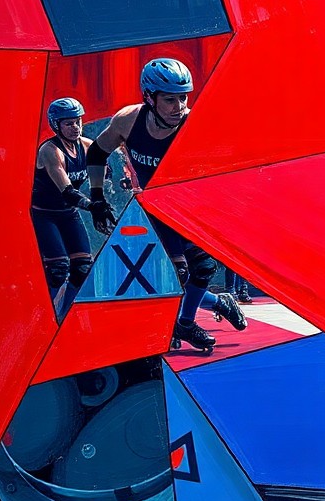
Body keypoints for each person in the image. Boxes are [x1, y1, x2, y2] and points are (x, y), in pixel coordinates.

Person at [85, 58, 247, 353]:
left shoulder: (195, 124)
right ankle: (178, 322)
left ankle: (194, 316)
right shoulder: (128, 120)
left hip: (185, 206)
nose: (179, 106)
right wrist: (97, 198)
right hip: (153, 205)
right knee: (177, 272)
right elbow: (96, 154)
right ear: (149, 97)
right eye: (170, 99)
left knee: (204, 267)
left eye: (183, 97)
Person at [32, 98, 96, 316]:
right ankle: (44, 316)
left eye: (77, 121)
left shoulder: (87, 146)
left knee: (83, 269)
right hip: (44, 215)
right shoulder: (50, 151)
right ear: (56, 125)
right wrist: (94, 206)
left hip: (68, 214)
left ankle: (63, 315)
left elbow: (106, 171)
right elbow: (67, 192)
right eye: (68, 123)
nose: (75, 127)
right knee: (58, 271)